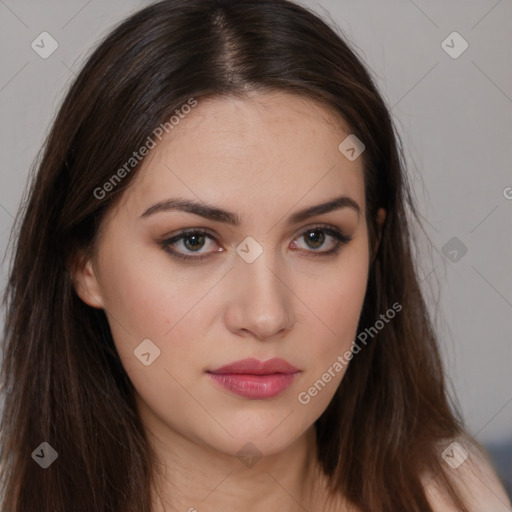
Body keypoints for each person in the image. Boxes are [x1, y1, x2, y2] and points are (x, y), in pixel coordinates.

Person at [1, 1, 510, 511]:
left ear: (375, 245)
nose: (266, 316)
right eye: (193, 241)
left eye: (316, 238)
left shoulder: (460, 495)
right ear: (83, 263)